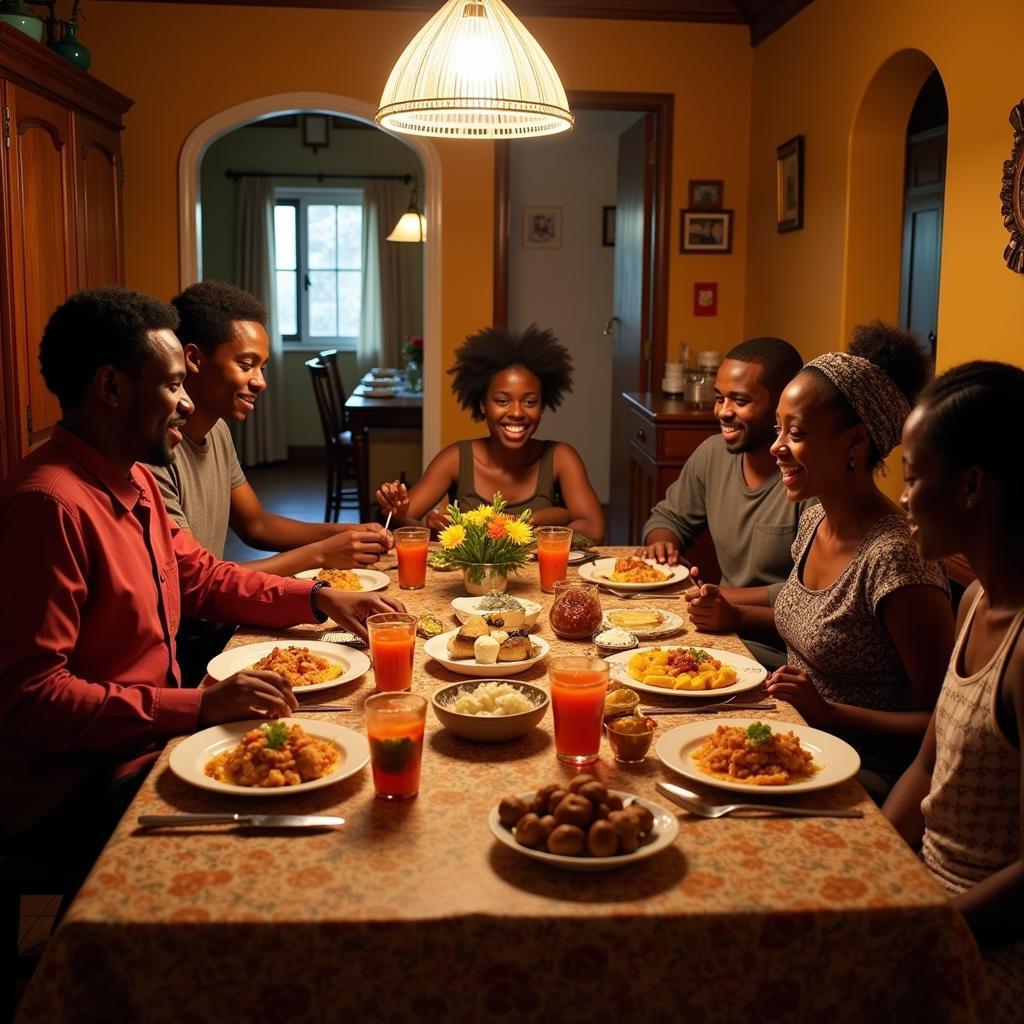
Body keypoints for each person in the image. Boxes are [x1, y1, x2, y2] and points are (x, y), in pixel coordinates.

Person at [0, 288, 402, 879]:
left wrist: (319, 599)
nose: (187, 402)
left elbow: (201, 578)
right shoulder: (49, 505)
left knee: (319, 765)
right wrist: (196, 707)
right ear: (112, 389)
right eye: (170, 385)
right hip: (74, 782)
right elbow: (32, 700)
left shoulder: (131, 478)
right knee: (280, 841)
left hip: (142, 742)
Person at [704, 322, 953, 798]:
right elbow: (815, 622)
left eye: (794, 433)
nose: (776, 446)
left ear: (855, 441)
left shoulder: (895, 559)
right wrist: (735, 615)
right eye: (778, 429)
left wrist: (829, 713)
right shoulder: (815, 515)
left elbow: (942, 721)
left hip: (860, 765)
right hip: (794, 732)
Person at [884, 361, 1024, 1018]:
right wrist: (873, 874)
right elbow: (928, 766)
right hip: (925, 896)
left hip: (988, 944)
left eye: (914, 476)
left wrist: (920, 930)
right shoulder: (973, 602)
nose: (903, 497)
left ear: (971, 485)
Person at [149, 280, 391, 570]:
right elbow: (196, 582)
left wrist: (347, 533)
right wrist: (321, 553)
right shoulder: (155, 453)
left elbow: (257, 524)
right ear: (193, 359)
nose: (260, 381)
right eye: (245, 365)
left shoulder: (217, 432)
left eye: (261, 368)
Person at [637, 336, 807, 667]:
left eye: (739, 401)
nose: (723, 412)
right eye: (719, 398)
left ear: (781, 405)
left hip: (779, 652)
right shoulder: (713, 453)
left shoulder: (808, 481)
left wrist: (724, 596)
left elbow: (814, 594)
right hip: (719, 632)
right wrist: (662, 544)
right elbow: (668, 518)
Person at [376, 325, 605, 542]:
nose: (517, 412)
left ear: (542, 405)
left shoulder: (561, 457)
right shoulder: (455, 458)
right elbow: (399, 522)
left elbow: (593, 529)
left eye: (529, 401)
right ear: (483, 404)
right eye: (502, 401)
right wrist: (407, 515)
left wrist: (525, 529)